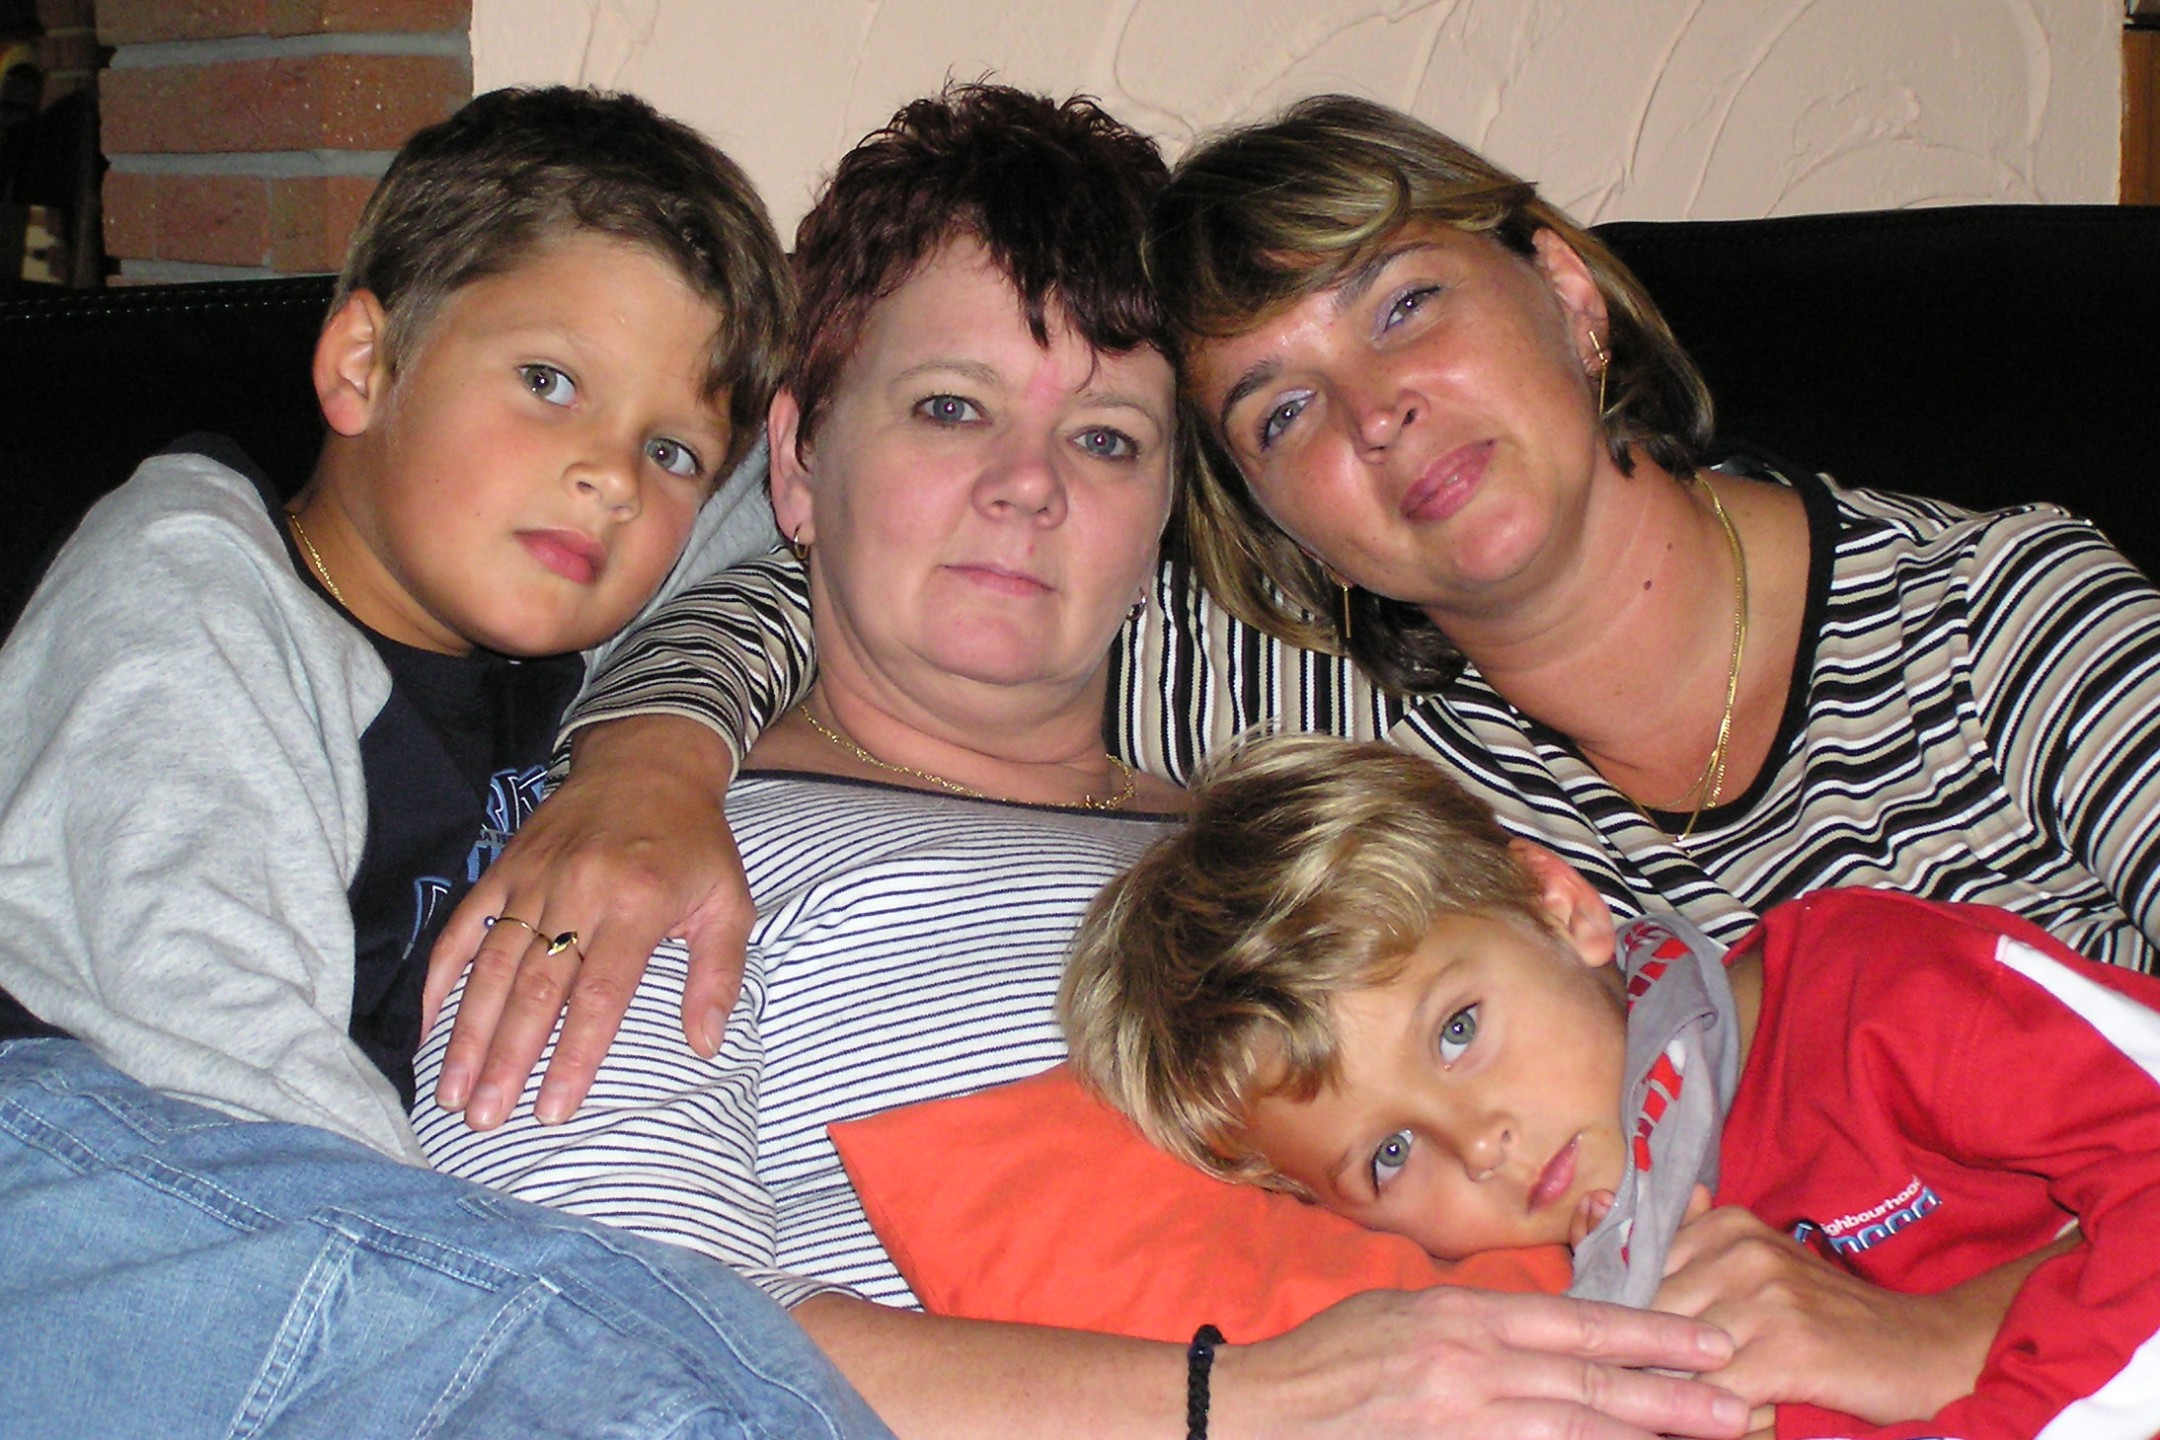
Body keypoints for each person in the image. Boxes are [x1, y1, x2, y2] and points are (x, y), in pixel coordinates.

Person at [422, 93, 2160, 1420]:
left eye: (1109, 440)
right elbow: (570, 1365)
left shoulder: (1305, 768)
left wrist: (1955, 1337)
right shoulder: (659, 877)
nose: (1029, 488)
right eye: (951, 409)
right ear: (797, 468)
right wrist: (645, 761)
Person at [0, 86, 890, 1438]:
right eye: (549, 383)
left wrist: (656, 753)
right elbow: (213, 1047)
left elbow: (820, 522)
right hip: (93, 1166)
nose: (611, 477)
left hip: (313, 1221)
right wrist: (479, 1284)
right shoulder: (193, 592)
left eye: (668, 450)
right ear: (364, 365)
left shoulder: (564, 628)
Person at [1060, 734, 2160, 1440]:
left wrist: (1938, 1348)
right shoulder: (1578, 1316)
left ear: (1562, 909)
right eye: (1389, 1156)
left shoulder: (1874, 999)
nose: (1479, 1145)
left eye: (1457, 1031)